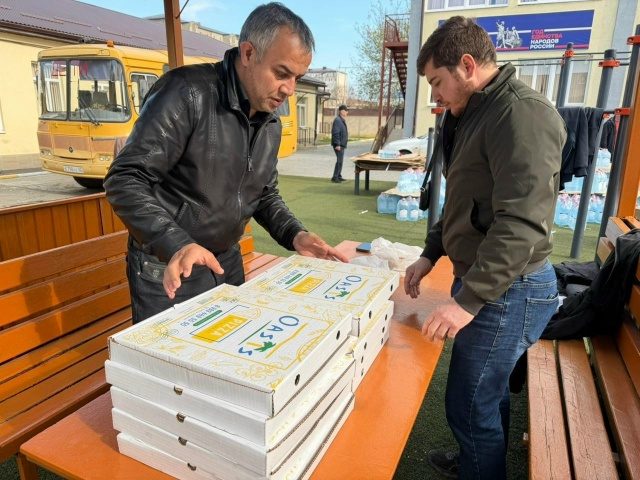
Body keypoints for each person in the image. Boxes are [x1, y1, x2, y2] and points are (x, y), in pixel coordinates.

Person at [104, 2, 348, 324]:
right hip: (171, 264)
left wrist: (295, 234)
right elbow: (125, 178)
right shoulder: (187, 92)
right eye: (281, 73)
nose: (289, 89)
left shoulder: (270, 122)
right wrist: (177, 244)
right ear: (248, 53)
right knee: (173, 356)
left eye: (297, 77)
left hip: (227, 262)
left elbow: (264, 194)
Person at [404, 16, 566, 480]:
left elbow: (521, 223)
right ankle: (478, 461)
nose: (435, 95)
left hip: (508, 288)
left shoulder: (521, 114)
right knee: (484, 396)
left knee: (470, 403)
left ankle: (480, 466)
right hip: (488, 280)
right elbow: (463, 200)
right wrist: (430, 253)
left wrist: (468, 300)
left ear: (468, 65)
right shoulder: (474, 112)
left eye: (437, 82)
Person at [330, 104, 349, 183]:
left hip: (341, 144)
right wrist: (337, 144)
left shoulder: (341, 120)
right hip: (339, 145)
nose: (347, 113)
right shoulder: (338, 120)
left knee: (340, 161)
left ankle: (338, 175)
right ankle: (335, 177)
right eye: (346, 111)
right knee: (339, 161)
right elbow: (335, 133)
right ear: (342, 112)